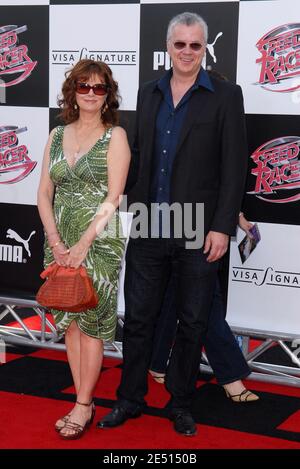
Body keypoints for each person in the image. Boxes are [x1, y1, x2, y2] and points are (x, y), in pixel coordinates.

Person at [97, 12, 248, 436]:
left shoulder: (225, 94)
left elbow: (234, 167)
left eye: (194, 45)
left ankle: (181, 403)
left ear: (205, 49)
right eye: (179, 44)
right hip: (148, 223)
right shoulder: (149, 93)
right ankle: (129, 399)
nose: (186, 51)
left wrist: (221, 227)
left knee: (193, 320)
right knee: (140, 319)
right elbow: (138, 156)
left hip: (198, 229)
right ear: (168, 47)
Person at [37, 59, 130, 440]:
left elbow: (114, 196)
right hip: (59, 239)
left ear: (108, 95)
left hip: (100, 237)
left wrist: (84, 242)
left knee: (91, 325)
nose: (90, 94)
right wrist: (57, 241)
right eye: (83, 86)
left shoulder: (115, 136)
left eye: (98, 88)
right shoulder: (57, 135)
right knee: (71, 323)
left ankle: (82, 405)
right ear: (72, 91)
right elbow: (44, 192)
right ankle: (84, 400)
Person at [149, 214, 259, 403]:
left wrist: (236, 215)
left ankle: (156, 360)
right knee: (198, 295)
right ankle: (230, 375)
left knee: (191, 292)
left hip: (199, 220)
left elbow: (219, 184)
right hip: (167, 218)